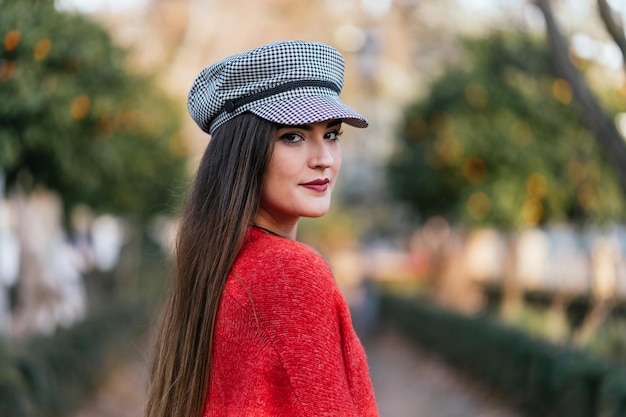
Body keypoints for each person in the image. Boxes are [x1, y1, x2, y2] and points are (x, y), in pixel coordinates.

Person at [145, 40, 379, 417]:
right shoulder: (289, 273)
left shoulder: (222, 265)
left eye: (332, 134)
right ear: (243, 153)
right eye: (293, 136)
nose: (323, 159)